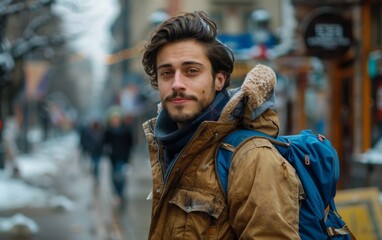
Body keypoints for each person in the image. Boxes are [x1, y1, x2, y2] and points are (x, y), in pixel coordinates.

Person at [141, 11, 302, 239]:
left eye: (192, 71)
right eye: (167, 73)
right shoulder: (170, 148)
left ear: (219, 80)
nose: (177, 83)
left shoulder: (252, 159)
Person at [103, 106, 134, 208]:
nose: (115, 121)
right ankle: (117, 193)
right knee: (113, 177)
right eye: (113, 119)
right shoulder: (108, 131)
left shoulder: (126, 130)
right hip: (113, 157)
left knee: (120, 176)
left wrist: (128, 155)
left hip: (123, 157)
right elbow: (105, 143)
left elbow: (130, 143)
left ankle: (120, 195)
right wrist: (107, 151)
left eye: (117, 119)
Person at [85, 120, 105, 186]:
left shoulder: (101, 132)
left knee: (97, 163)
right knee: (94, 162)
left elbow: (104, 141)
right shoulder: (90, 132)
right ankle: (95, 173)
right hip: (93, 150)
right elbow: (87, 140)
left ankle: (96, 174)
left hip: (98, 151)